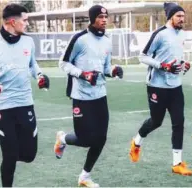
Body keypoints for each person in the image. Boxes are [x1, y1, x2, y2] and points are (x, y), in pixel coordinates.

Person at [0, 4, 50, 187]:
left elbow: (32, 64)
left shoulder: (28, 42)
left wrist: (40, 75)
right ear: (13, 22)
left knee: (29, 155)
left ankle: (13, 154)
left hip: (25, 104)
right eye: (25, 20)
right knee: (10, 154)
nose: (27, 24)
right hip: (1, 106)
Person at [53, 5, 123, 187]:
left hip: (100, 95)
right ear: (92, 19)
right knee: (85, 140)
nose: (104, 20)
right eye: (100, 16)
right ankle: (62, 138)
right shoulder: (79, 39)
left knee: (101, 138)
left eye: (106, 16)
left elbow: (105, 68)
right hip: (81, 96)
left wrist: (114, 71)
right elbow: (63, 63)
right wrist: (82, 74)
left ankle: (84, 176)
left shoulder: (107, 41)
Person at [128, 2, 192, 176]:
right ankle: (136, 142)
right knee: (156, 121)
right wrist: (162, 66)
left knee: (179, 122)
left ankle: (177, 163)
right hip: (157, 85)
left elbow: (176, 58)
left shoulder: (182, 34)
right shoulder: (160, 34)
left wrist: (183, 65)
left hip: (175, 86)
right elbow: (143, 56)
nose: (182, 19)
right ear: (170, 17)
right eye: (179, 16)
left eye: (183, 16)